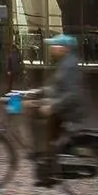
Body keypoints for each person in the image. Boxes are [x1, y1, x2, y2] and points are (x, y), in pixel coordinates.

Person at [33, 34, 88, 186]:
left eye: (54, 45)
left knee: (44, 132)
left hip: (69, 110)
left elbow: (72, 93)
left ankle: (48, 170)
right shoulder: (65, 63)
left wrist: (52, 106)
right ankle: (46, 166)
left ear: (63, 48)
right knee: (39, 118)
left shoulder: (69, 66)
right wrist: (36, 92)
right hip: (65, 106)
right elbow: (55, 87)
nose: (51, 48)